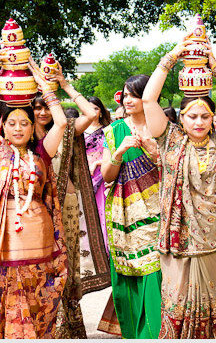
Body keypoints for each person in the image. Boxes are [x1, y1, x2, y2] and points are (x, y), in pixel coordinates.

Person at [144, 39, 216, 338]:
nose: (199, 122)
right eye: (192, 116)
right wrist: (172, 57)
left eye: (205, 116)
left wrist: (215, 68)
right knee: (177, 307)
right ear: (181, 118)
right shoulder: (169, 139)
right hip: (180, 242)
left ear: (213, 118)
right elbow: (148, 101)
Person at [0, 44, 67, 339]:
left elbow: (60, 122)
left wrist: (42, 82)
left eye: (25, 123)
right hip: (1, 238)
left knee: (39, 302)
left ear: (34, 127)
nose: (18, 128)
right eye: (12, 123)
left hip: (40, 236)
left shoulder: (42, 154)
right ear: (3, 128)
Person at [29, 58, 110, 338]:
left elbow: (89, 113)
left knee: (66, 262)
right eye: (37, 106)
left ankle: (68, 324)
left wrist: (62, 84)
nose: (41, 112)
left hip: (67, 206)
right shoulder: (23, 137)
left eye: (45, 106)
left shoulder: (66, 131)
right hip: (36, 210)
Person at [101, 74, 162, 339]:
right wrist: (118, 153)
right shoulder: (114, 131)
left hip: (159, 210)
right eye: (125, 95)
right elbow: (107, 176)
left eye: (134, 95)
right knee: (130, 272)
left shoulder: (162, 128)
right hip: (125, 213)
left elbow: (174, 169)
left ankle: (156, 332)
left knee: (155, 269)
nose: (128, 100)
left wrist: (153, 151)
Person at [84, 96, 122, 336]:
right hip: (84, 180)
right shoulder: (77, 132)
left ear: (100, 111)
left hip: (102, 181)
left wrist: (98, 168)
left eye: (95, 108)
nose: (92, 111)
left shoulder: (108, 132)